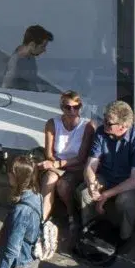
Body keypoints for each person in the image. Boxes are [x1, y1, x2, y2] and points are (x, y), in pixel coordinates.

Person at [79, 100, 135, 248]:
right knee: (85, 193)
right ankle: (90, 232)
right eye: (104, 118)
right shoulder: (101, 132)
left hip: (129, 181)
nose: (104, 123)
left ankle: (124, 238)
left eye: (109, 122)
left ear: (123, 126)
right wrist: (92, 183)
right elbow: (91, 164)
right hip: (107, 176)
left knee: (124, 201)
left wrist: (106, 195)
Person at [39, 91, 92, 236]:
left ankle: (71, 214)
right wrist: (55, 164)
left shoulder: (87, 126)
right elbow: (48, 153)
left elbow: (81, 158)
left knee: (63, 185)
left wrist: (57, 164)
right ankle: (42, 220)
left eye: (77, 107)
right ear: (62, 108)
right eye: (68, 107)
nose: (73, 111)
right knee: (49, 179)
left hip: (75, 167)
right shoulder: (52, 123)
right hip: (57, 164)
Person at [0, 25, 53, 92]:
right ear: (32, 45)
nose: (44, 50)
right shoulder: (16, 64)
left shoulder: (30, 56)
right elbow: (6, 89)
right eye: (42, 46)